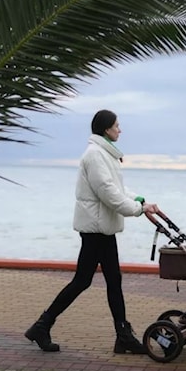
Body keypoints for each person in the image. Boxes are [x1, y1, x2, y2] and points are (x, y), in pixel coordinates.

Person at [25, 109, 160, 353]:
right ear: (107, 129)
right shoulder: (95, 155)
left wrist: (140, 200)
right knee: (85, 281)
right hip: (96, 228)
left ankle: (121, 335)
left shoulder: (104, 154)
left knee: (105, 281)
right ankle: (43, 326)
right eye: (117, 125)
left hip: (102, 228)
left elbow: (118, 188)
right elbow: (108, 193)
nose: (120, 129)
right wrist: (138, 210)